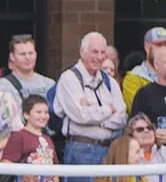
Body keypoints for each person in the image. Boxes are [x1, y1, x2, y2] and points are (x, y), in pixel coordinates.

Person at [52, 32, 127, 173]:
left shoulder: (109, 81)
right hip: (80, 151)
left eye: (102, 52)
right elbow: (81, 116)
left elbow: (122, 117)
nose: (99, 57)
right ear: (82, 52)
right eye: (94, 52)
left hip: (109, 150)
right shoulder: (69, 78)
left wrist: (97, 117)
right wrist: (108, 111)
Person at [0, 34, 55, 108]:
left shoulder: (49, 84)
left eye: (31, 53)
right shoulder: (3, 86)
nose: (28, 57)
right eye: (22, 54)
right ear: (12, 56)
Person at [126, 113, 166, 182]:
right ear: (131, 135)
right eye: (140, 129)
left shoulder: (163, 151)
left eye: (149, 128)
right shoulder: (128, 157)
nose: (146, 131)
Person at [122, 26, 166, 112]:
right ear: (147, 47)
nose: (164, 49)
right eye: (159, 45)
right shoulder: (133, 78)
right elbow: (137, 111)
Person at [130, 39, 166, 133]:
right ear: (156, 65)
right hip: (154, 146)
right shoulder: (144, 94)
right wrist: (153, 134)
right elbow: (134, 127)